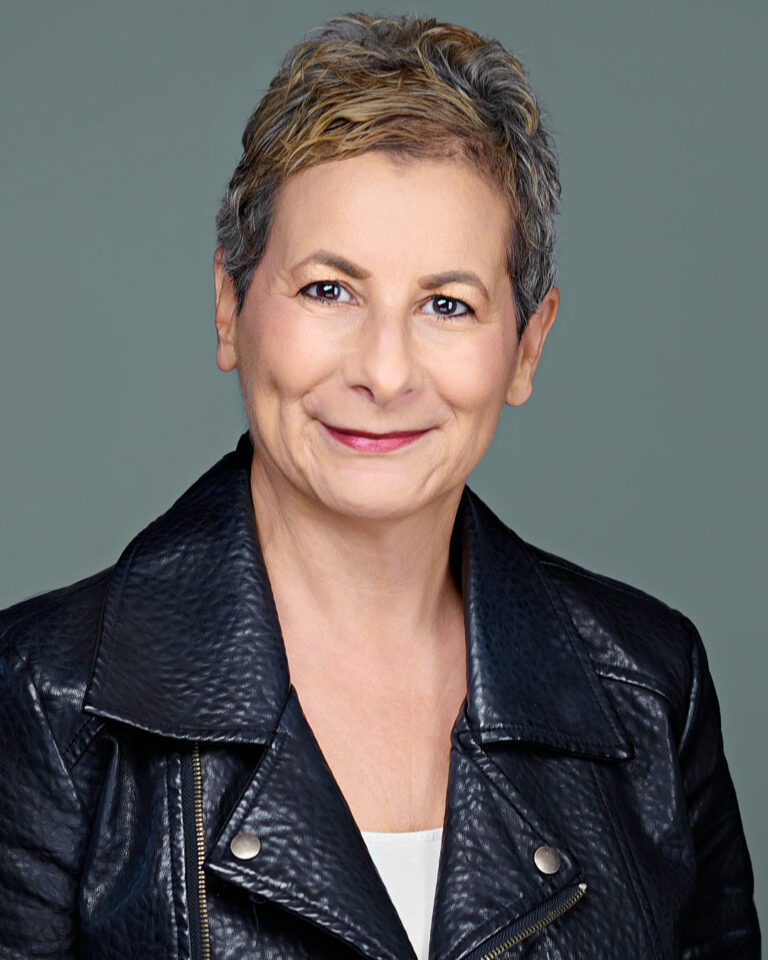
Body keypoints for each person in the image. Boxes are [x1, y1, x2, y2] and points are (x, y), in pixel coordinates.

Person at [0, 11, 759, 959]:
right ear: (231, 306)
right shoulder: (41, 698)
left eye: (448, 304)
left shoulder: (649, 690)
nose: (385, 372)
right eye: (330, 290)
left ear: (527, 346)